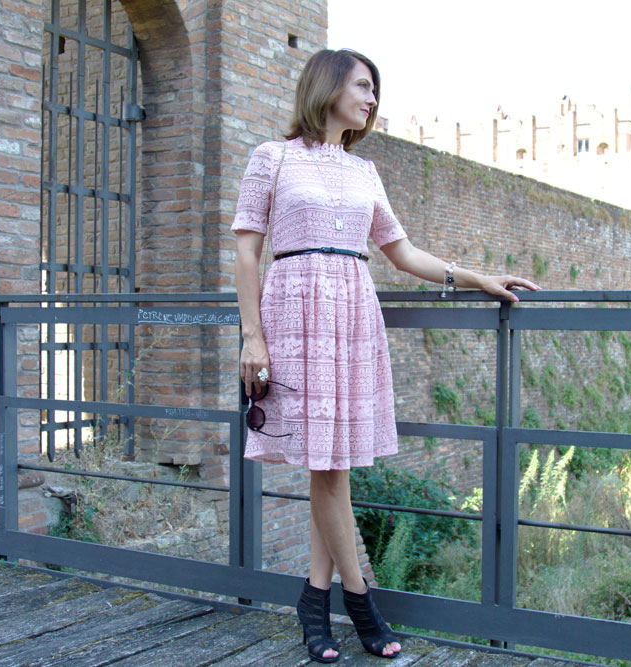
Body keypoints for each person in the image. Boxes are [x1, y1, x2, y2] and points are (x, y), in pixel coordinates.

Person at [232, 48, 540, 663]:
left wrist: (476, 278)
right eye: (364, 86)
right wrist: (252, 336)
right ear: (327, 86)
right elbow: (246, 254)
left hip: (350, 317)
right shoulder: (273, 157)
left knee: (334, 464)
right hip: (294, 316)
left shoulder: (365, 172)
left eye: (375, 90)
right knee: (328, 467)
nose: (373, 100)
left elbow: (402, 254)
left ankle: (313, 602)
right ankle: (360, 601)